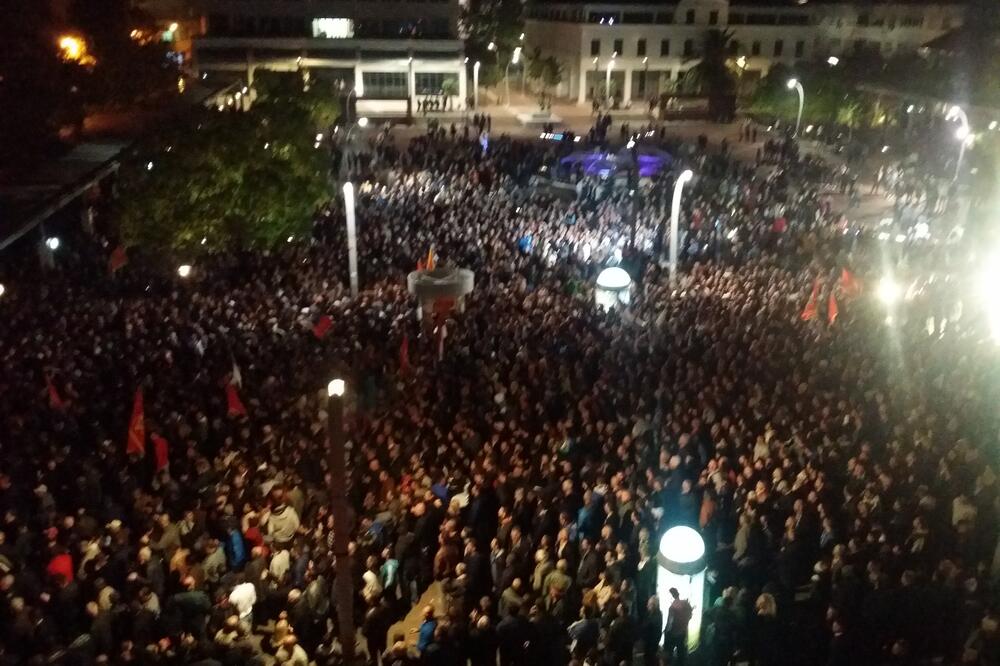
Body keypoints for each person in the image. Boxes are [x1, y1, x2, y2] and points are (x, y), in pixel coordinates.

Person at [664, 587, 692, 665]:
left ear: (671, 596)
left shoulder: (672, 607)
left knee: (668, 655)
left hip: (673, 634)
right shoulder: (685, 603)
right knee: (681, 655)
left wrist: (666, 632)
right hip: (683, 632)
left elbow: (670, 623)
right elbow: (690, 615)